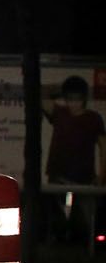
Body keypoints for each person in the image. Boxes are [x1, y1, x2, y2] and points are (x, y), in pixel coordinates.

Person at [46, 75, 105, 243]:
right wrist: (60, 89)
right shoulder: (59, 113)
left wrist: (102, 175)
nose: (74, 103)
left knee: (87, 222)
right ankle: (58, 243)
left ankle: (85, 247)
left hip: (84, 177)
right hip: (58, 175)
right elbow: (39, 96)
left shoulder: (93, 118)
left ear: (84, 99)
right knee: (56, 219)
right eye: (70, 99)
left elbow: (103, 147)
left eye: (77, 99)